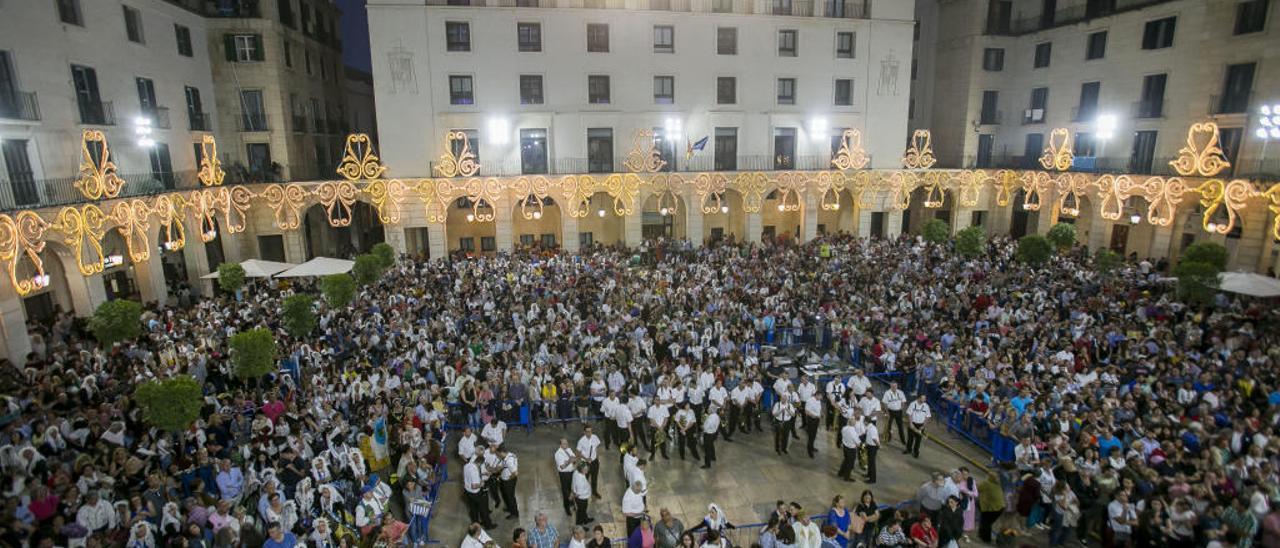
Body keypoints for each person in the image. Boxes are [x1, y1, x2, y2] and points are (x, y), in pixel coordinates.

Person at [977, 473, 1005, 543]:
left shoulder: (986, 483)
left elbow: (977, 489)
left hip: (991, 508)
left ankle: (986, 538)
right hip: (1000, 508)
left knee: (986, 523)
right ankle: (982, 534)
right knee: (987, 522)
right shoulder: (998, 485)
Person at [578, 426, 603, 499]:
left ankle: (594, 492)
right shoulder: (581, 441)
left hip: (594, 461)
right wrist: (586, 458)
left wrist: (597, 457)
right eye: (587, 432)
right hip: (586, 463)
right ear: (584, 432)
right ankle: (584, 492)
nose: (589, 433)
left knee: (595, 477)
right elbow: (578, 453)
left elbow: (596, 448)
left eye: (590, 431)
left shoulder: (595, 437)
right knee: (585, 478)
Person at [556, 438, 578, 515]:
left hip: (571, 472)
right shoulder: (558, 454)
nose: (566, 445)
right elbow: (562, 466)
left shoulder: (568, 449)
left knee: (571, 489)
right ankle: (566, 507)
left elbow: (574, 458)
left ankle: (572, 502)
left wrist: (573, 461)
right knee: (565, 491)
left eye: (567, 443)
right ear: (560, 445)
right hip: (564, 474)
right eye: (564, 444)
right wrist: (569, 461)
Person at [904, 395, 930, 459]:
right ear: (919, 398)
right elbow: (909, 414)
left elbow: (927, 416)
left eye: (925, 398)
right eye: (923, 398)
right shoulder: (912, 404)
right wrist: (910, 423)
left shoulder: (926, 406)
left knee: (918, 440)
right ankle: (908, 449)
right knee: (910, 438)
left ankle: (916, 452)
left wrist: (924, 425)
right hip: (913, 424)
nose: (925, 400)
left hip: (920, 425)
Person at [864, 416, 880, 483]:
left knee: (872, 463)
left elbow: (874, 439)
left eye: (864, 422)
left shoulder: (872, 429)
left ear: (866, 422)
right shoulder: (869, 427)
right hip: (870, 446)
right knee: (869, 462)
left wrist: (879, 446)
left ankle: (872, 479)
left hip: (873, 447)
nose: (864, 423)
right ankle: (869, 474)